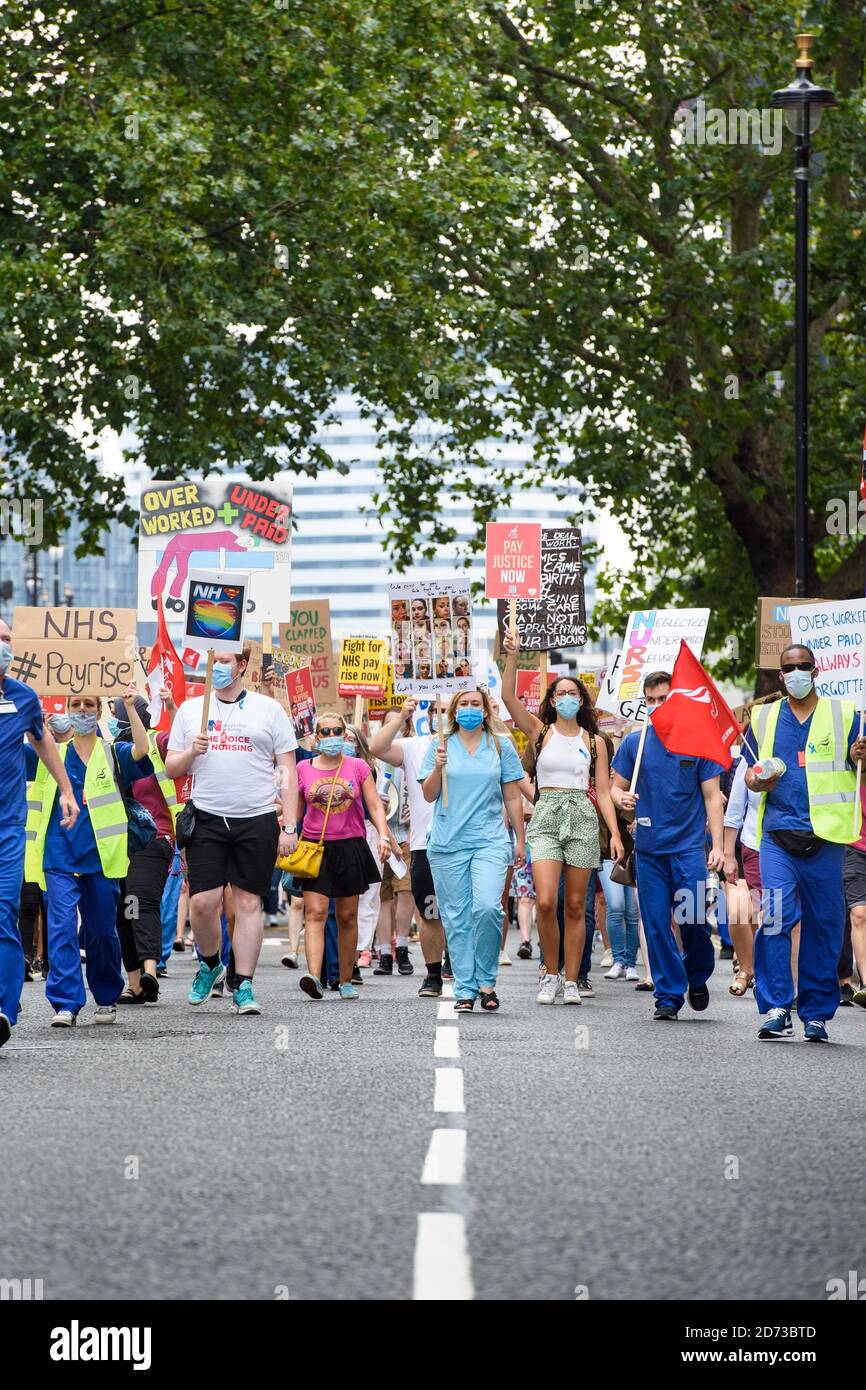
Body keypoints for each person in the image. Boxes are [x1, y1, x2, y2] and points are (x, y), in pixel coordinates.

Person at [165, 643, 299, 1016]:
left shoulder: (268, 710)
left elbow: (287, 771)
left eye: (224, 661)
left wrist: (289, 825)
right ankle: (210, 964)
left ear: (241, 665)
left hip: (256, 818)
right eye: (213, 661)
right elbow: (173, 767)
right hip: (206, 817)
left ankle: (243, 984)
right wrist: (192, 752)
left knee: (247, 903)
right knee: (202, 903)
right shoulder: (192, 709)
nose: (218, 667)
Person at [744, 644, 866, 1042]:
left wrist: (857, 754)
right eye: (788, 668)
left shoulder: (846, 714)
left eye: (803, 666)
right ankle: (778, 1006)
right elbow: (747, 776)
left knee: (824, 928)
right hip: (778, 837)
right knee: (776, 920)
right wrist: (757, 781)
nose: (796, 672)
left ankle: (816, 1013)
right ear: (780, 676)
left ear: (816, 671)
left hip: (827, 838)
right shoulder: (762, 717)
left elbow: (857, 764)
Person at [502, 633, 623, 1005]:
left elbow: (602, 792)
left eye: (574, 694)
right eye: (561, 694)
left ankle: (572, 979)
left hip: (582, 817)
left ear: (581, 700)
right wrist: (512, 656)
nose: (567, 699)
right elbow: (507, 698)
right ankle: (549, 973)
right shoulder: (540, 733)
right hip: (547, 816)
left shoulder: (596, 741)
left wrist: (615, 834)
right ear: (552, 701)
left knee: (575, 905)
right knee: (545, 902)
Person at [24, 690, 143, 1027]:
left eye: (88, 705)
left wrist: (132, 707)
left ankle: (106, 997)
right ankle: (66, 1003)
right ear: (66, 710)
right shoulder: (51, 752)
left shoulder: (113, 752)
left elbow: (143, 751)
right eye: (75, 705)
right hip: (58, 854)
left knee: (102, 931)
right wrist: (36, 727)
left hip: (101, 858)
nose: (81, 710)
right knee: (61, 929)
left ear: (99, 711)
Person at [611, 671, 725, 1022]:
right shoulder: (635, 742)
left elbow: (711, 796)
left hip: (689, 849)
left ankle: (696, 973)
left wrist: (718, 846)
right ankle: (669, 995)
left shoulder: (698, 740)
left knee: (693, 922)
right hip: (648, 851)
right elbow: (615, 788)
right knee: (658, 924)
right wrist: (622, 799)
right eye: (651, 700)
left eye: (665, 698)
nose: (658, 706)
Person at [420, 688, 526, 1012]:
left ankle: (487, 980)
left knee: (488, 908)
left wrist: (520, 838)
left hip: (490, 839)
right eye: (463, 704)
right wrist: (438, 767)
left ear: (484, 709)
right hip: (447, 843)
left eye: (475, 704)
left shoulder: (500, 744)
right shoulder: (438, 745)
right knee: (456, 917)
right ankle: (466, 988)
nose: (469, 708)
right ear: (453, 711)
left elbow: (512, 796)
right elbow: (428, 795)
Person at [0, 621, 80, 1047]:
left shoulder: (24, 697)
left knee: (4, 912)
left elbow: (43, 740)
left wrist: (67, 790)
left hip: (7, 827)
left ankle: (3, 1008)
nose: (3, 647)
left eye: (8, 640)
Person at [295, 711, 390, 1000]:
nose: (333, 737)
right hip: (315, 847)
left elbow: (374, 806)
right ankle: (314, 975)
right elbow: (297, 812)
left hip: (351, 845)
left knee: (348, 916)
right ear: (316, 737)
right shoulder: (303, 768)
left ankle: (346, 980)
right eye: (326, 732)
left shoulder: (358, 766)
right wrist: (284, 834)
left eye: (338, 731)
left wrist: (384, 836)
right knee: (316, 913)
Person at [369, 700, 448, 996]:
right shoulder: (415, 745)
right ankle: (433, 974)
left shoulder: (479, 742)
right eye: (435, 712)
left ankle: (468, 970)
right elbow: (377, 748)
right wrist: (401, 716)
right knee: (429, 911)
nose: (441, 716)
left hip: (469, 844)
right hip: (426, 844)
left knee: (468, 911)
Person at [112, 686, 180, 1005]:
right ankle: (135, 983)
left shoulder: (157, 742)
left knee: (142, 900)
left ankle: (151, 971)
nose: (111, 721)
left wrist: (172, 706)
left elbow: (184, 742)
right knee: (126, 910)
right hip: (118, 844)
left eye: (116, 716)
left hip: (155, 838)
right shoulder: (108, 752)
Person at [722, 740, 763, 996]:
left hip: (787, 844)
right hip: (746, 845)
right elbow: (734, 807)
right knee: (738, 912)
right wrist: (727, 854)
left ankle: (760, 972)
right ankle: (747, 968)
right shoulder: (748, 756)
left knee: (767, 916)